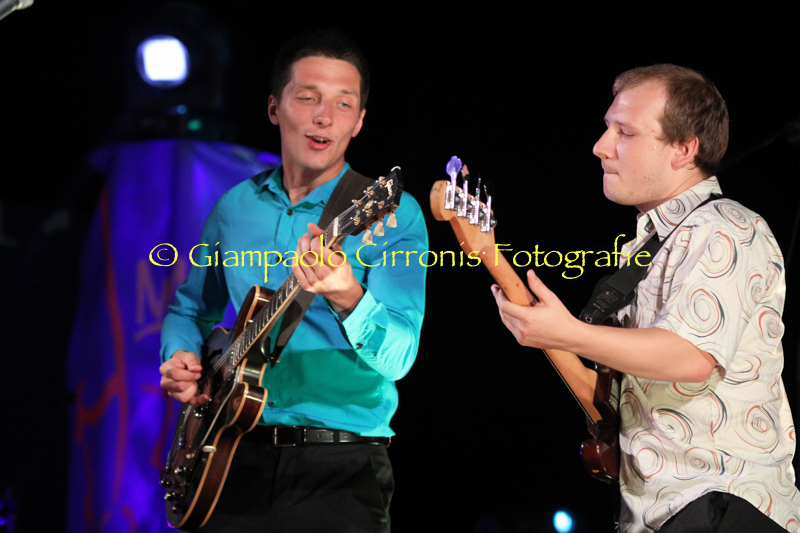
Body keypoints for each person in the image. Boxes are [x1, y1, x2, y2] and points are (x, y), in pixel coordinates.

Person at [492, 64, 799, 532]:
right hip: (661, 512)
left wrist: (568, 333)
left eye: (626, 132)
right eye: (607, 128)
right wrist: (551, 335)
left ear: (684, 149)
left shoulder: (726, 228)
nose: (601, 146)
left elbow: (691, 356)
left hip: (721, 503)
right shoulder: (650, 246)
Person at [158, 30, 427, 533]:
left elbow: (399, 358)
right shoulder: (234, 207)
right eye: (308, 98)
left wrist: (347, 295)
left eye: (344, 103)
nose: (325, 116)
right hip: (227, 456)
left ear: (359, 121)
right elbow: (189, 309)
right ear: (274, 108)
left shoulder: (392, 214)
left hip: (340, 471)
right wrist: (179, 356)